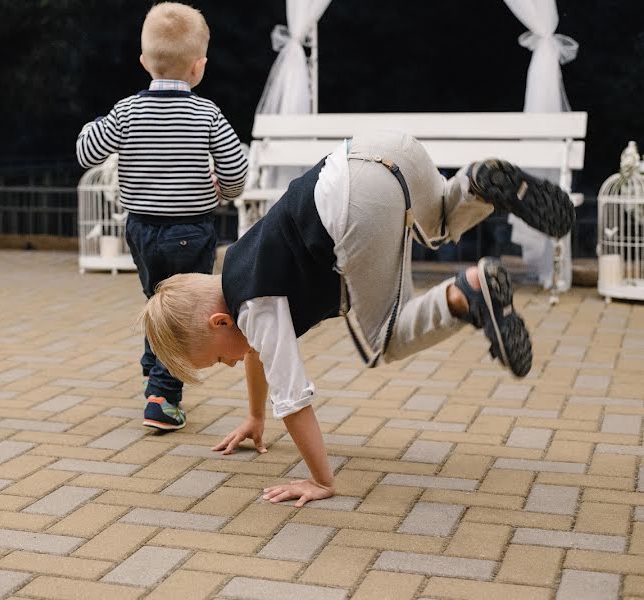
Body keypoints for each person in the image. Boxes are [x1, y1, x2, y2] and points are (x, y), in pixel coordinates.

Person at [140, 130, 574, 506]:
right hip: (382, 152)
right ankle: (479, 186)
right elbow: (257, 353)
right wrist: (255, 418)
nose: (231, 364)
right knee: (441, 221)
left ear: (219, 322)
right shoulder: (239, 267)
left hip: (357, 203)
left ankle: (465, 293)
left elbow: (292, 400)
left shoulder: (253, 306)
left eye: (218, 360)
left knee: (384, 339)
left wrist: (320, 479)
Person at [76, 2, 248, 431]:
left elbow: (87, 152)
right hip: (192, 227)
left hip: (142, 231)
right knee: (185, 312)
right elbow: (237, 171)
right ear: (198, 67)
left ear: (143, 62)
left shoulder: (127, 111)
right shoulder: (206, 113)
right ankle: (162, 398)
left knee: (159, 298)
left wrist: (96, 124)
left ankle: (154, 363)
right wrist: (222, 191)